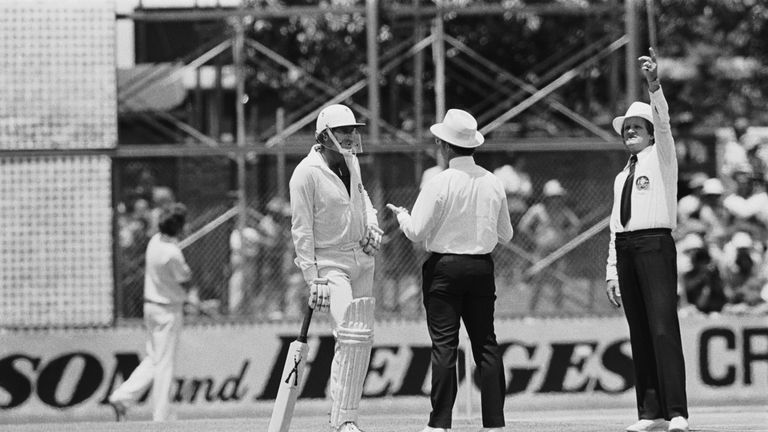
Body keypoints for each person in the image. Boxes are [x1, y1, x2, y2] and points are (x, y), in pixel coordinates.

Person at [387, 108, 513, 432]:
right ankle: (495, 423)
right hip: (481, 266)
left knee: (445, 345)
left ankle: (440, 422)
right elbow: (507, 234)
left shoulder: (438, 181)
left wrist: (402, 216)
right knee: (486, 343)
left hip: (444, 267)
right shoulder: (493, 182)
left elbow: (415, 231)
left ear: (443, 146)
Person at [604, 48, 690, 432]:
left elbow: (666, 122)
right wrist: (611, 270)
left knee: (662, 328)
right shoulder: (622, 176)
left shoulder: (662, 157)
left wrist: (654, 85)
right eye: (626, 129)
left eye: (637, 126)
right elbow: (614, 225)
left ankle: (677, 413)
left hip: (655, 244)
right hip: (626, 248)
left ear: (651, 131)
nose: (630, 132)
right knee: (639, 330)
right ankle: (650, 412)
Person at [289, 104, 382, 432]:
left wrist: (371, 224)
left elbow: (363, 197)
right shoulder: (305, 173)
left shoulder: (351, 161)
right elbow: (301, 229)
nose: (352, 136)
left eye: (353, 129)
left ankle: (345, 416)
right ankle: (344, 420)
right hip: (330, 263)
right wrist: (312, 277)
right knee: (350, 334)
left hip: (361, 258)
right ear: (324, 135)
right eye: (344, 130)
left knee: (362, 339)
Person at [108, 203, 196, 422]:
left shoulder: (155, 242)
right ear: (178, 227)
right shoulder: (172, 253)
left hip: (152, 308)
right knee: (165, 363)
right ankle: (161, 415)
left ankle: (122, 397)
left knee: (155, 359)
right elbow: (185, 281)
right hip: (167, 310)